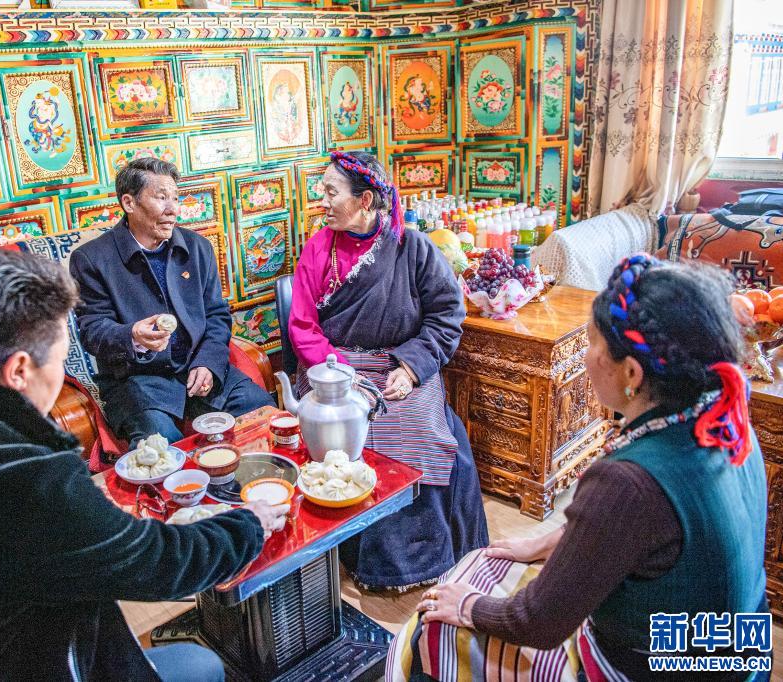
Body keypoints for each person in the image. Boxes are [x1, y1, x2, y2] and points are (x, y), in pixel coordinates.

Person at [0, 250, 289, 681]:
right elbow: (158, 561)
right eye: (61, 360)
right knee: (203, 666)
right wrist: (248, 524)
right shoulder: (24, 476)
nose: (62, 374)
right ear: (19, 370)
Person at [391, 256, 771, 681]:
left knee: (431, 628)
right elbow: (638, 531)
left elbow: (536, 622)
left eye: (591, 344)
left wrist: (468, 606)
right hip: (741, 656)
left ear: (632, 372)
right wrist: (546, 543)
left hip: (666, 670)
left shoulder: (627, 484)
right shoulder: (726, 421)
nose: (587, 359)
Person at [288, 150, 489, 590]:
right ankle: (364, 560)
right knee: (353, 426)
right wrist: (341, 374)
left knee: (422, 428)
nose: (322, 201)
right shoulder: (319, 248)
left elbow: (447, 315)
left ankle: (425, 558)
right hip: (332, 367)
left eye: (331, 192)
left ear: (364, 200)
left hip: (401, 362)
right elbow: (302, 326)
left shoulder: (414, 248)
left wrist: (412, 369)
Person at [70, 157, 274, 448]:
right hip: (138, 380)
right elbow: (92, 331)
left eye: (176, 198)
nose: (173, 209)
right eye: (161, 197)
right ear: (129, 203)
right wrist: (132, 335)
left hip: (198, 367)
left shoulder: (197, 247)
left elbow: (217, 315)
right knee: (162, 448)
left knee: (263, 416)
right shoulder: (92, 259)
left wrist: (208, 363)